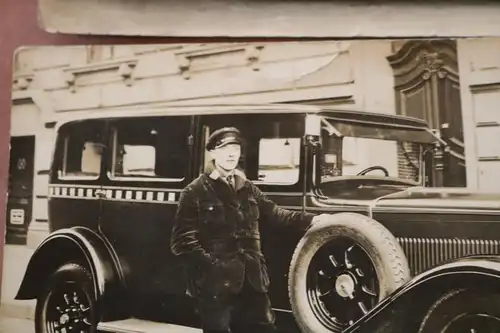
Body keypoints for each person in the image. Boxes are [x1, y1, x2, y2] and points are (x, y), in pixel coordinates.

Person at [170, 126, 329, 333]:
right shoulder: (194, 191)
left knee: (264, 328)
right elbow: (182, 242)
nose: (231, 154)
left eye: (235, 149)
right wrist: (212, 267)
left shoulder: (247, 187)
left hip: (252, 279)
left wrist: (314, 219)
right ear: (213, 152)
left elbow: (276, 213)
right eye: (225, 148)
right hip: (215, 284)